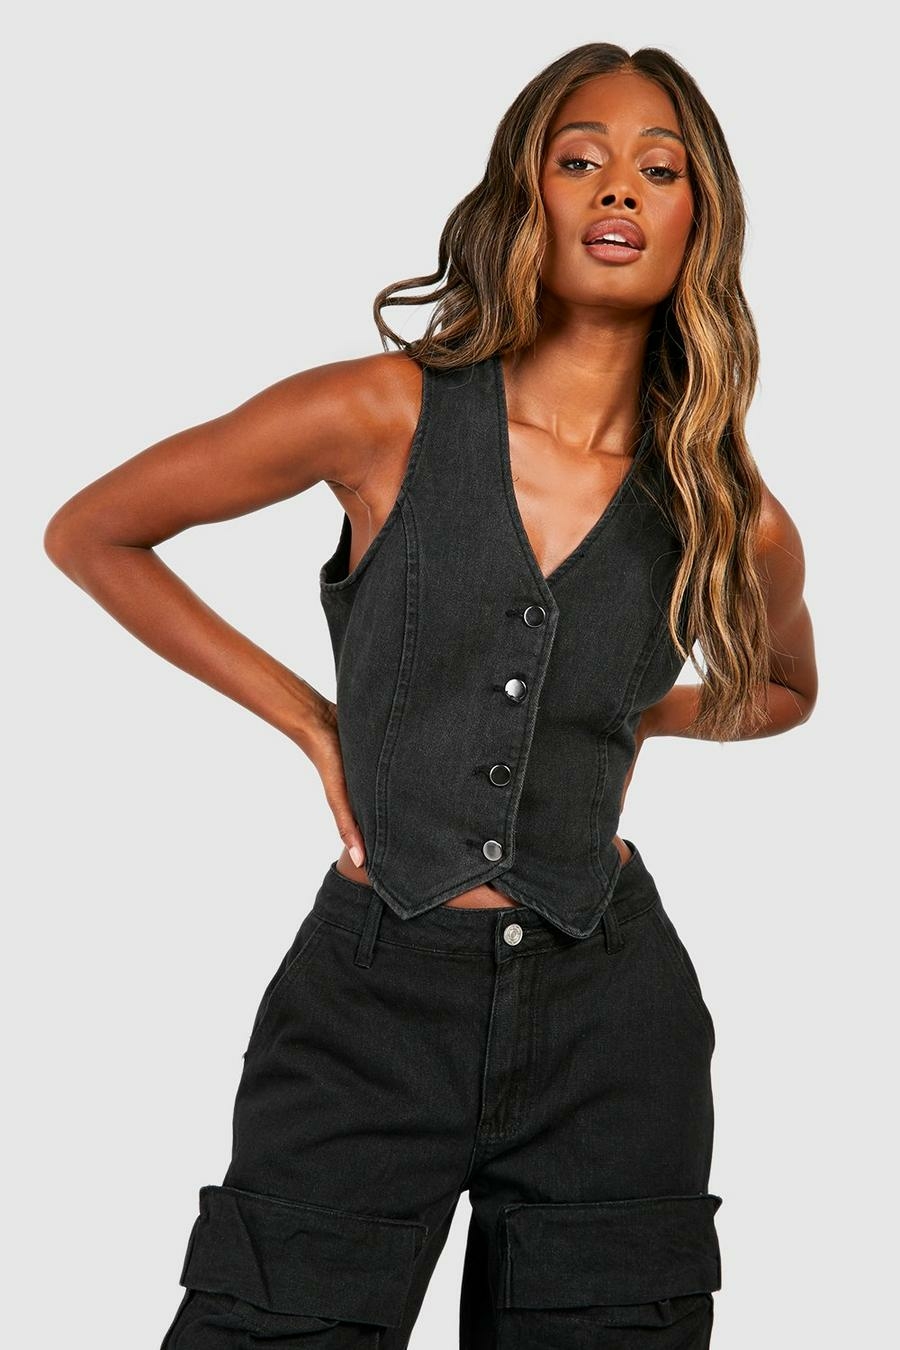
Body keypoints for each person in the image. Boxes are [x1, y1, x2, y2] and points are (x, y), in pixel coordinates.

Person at [44, 41, 817, 1350]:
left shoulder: (727, 508)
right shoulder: (380, 412)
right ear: (528, 195)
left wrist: (638, 714)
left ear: (702, 219)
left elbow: (788, 686)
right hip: (370, 1001)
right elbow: (95, 531)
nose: (617, 188)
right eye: (579, 159)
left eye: (659, 168)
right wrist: (312, 719)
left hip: (611, 1017)